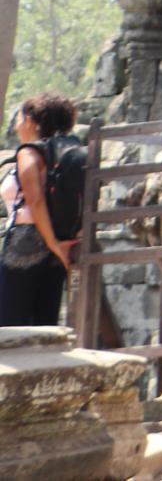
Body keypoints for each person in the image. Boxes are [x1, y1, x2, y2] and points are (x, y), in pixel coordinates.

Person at [2, 92, 84, 326]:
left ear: (30, 120)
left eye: (19, 117)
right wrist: (57, 246)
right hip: (59, 243)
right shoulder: (64, 153)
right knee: (43, 321)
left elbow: (35, 201)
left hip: (25, 244)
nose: (17, 124)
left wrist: (52, 243)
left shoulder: (29, 153)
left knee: (9, 323)